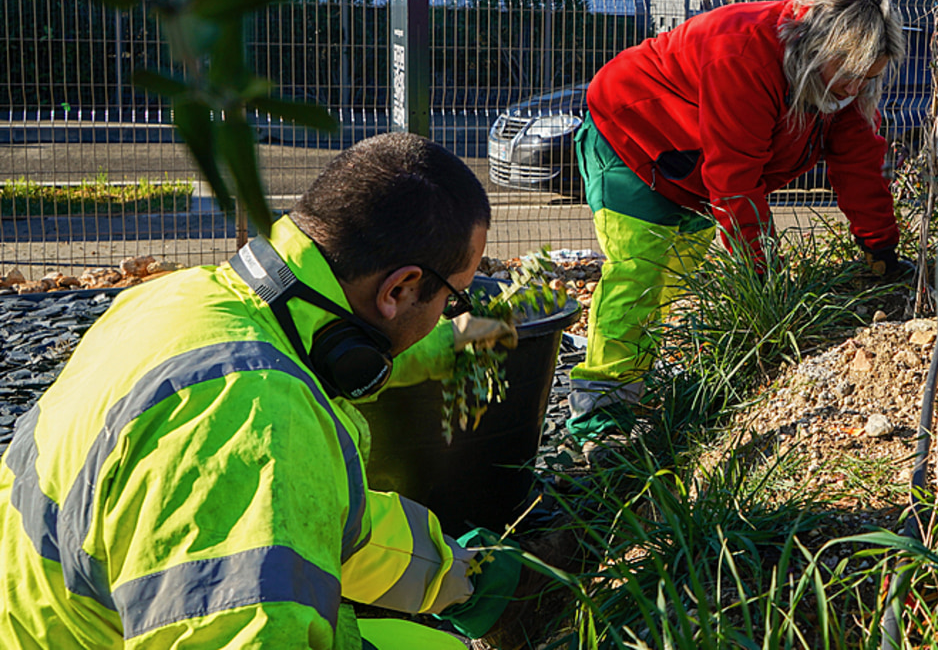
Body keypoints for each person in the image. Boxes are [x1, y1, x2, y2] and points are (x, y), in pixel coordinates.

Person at [0, 134, 542, 648]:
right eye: (452, 299)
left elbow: (320, 519)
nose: (448, 314)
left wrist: (463, 579)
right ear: (399, 288)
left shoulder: (181, 300)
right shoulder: (258, 423)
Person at [566, 0, 910, 443]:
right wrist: (759, 279)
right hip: (633, 136)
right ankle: (600, 416)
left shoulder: (839, 77)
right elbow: (736, 181)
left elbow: (857, 160)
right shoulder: (743, 53)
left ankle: (637, 385)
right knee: (640, 272)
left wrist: (880, 242)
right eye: (850, 75)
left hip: (692, 169)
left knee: (675, 274)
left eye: (869, 79)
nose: (854, 89)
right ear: (822, 46)